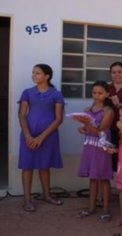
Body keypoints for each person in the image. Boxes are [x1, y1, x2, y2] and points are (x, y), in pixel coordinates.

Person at [18, 64, 65, 212]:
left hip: (48, 136)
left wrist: (41, 137)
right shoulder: (27, 93)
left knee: (44, 166)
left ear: (47, 76)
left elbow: (58, 119)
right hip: (28, 135)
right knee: (27, 166)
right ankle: (27, 199)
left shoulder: (56, 94)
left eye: (37, 73)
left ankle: (47, 195)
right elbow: (22, 115)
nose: (34, 75)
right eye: (33, 73)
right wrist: (27, 135)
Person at [76, 80, 114, 221]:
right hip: (90, 146)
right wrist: (82, 128)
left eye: (100, 93)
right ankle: (91, 207)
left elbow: (100, 131)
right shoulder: (89, 109)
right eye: (94, 93)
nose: (96, 95)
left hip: (102, 146)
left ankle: (106, 209)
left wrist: (87, 123)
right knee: (93, 178)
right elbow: (87, 129)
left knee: (103, 178)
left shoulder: (108, 111)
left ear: (107, 94)